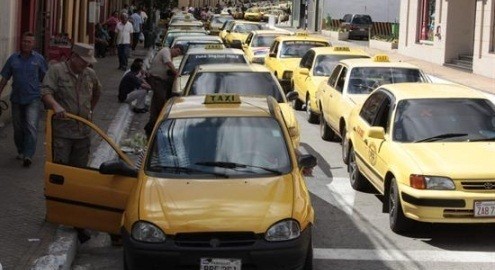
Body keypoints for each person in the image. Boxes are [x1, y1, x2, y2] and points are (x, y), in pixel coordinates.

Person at [41, 43, 101, 167]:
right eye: (83, 61)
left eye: (88, 62)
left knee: (80, 170)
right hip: (63, 132)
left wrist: (90, 110)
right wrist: (55, 105)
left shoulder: (90, 74)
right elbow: (46, 92)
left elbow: (97, 92)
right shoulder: (57, 71)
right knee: (61, 170)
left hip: (83, 132)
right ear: (73, 56)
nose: (86, 64)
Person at [0, 32, 48, 167]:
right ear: (21, 42)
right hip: (16, 98)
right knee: (18, 128)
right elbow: (4, 78)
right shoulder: (13, 59)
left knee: (31, 126)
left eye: (29, 42)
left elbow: (46, 78)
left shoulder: (39, 59)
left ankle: (28, 155)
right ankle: (21, 150)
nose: (26, 44)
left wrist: (47, 95)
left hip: (33, 98)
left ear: (34, 44)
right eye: (24, 41)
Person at [145, 44, 185, 137]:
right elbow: (168, 63)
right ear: (174, 48)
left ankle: (152, 124)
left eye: (179, 54)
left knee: (156, 103)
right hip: (156, 80)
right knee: (160, 101)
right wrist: (176, 73)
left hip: (161, 81)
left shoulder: (169, 54)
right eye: (177, 51)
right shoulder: (165, 51)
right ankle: (157, 123)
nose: (177, 54)